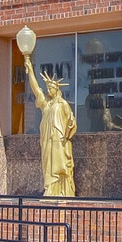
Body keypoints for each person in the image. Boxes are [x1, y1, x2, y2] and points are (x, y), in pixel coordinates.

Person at [23, 57, 78, 198]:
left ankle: (62, 191)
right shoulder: (46, 104)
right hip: (47, 140)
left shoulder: (63, 104)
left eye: (51, 87)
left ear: (57, 89)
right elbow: (36, 89)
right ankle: (50, 190)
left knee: (60, 166)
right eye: (48, 88)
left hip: (59, 141)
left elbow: (71, 121)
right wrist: (30, 71)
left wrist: (70, 125)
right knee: (48, 166)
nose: (49, 90)